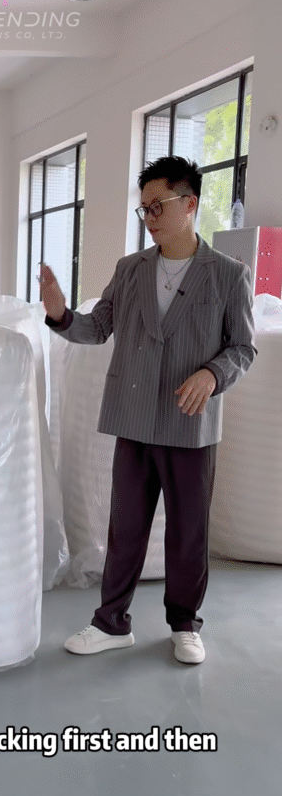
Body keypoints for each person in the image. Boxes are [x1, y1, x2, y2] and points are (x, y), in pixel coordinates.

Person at [39, 155, 256, 664]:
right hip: (133, 418)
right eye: (144, 209)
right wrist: (60, 314)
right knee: (125, 526)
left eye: (158, 206)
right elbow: (97, 328)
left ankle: (185, 624)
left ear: (190, 204)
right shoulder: (130, 270)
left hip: (189, 424)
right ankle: (111, 622)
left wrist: (212, 373)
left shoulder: (229, 276)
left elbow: (242, 348)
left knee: (188, 530)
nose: (150, 217)